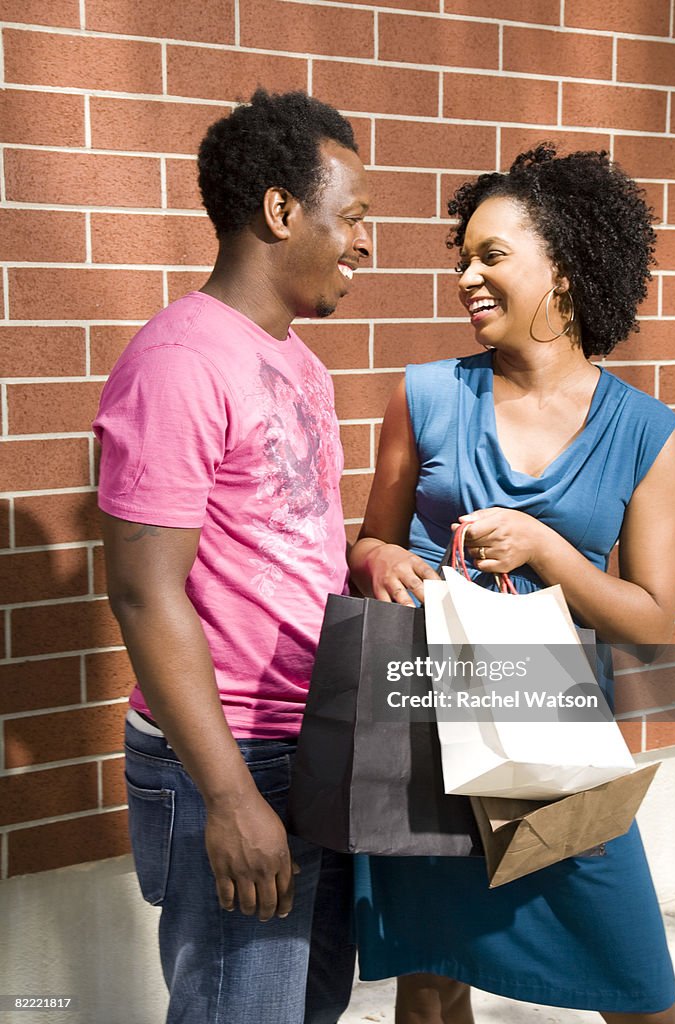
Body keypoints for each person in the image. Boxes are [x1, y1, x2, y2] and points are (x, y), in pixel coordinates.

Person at [348, 145, 675, 1024]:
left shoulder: (645, 432)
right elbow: (368, 545)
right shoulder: (423, 396)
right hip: (421, 740)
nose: (467, 276)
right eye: (463, 257)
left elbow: (650, 622)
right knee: (429, 984)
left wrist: (547, 547)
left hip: (555, 749)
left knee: (641, 990)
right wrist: (380, 559)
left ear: (566, 271)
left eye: (491, 255)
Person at [93, 89, 371, 1024]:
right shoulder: (177, 362)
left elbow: (283, 540)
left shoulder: (298, 360)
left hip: (316, 746)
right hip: (230, 759)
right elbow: (141, 592)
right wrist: (229, 795)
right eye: (355, 217)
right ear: (282, 211)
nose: (365, 244)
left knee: (311, 1006)